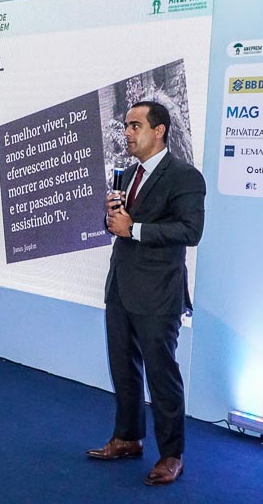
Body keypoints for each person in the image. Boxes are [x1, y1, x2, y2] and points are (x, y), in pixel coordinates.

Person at [86, 101, 205, 486]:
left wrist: (133, 228)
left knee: (161, 375)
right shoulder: (128, 174)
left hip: (158, 293)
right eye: (126, 126)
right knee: (123, 368)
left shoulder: (184, 176)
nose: (127, 133)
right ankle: (127, 437)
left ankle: (171, 455)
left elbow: (190, 231)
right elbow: (119, 226)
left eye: (135, 126)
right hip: (121, 287)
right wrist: (112, 219)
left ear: (159, 130)